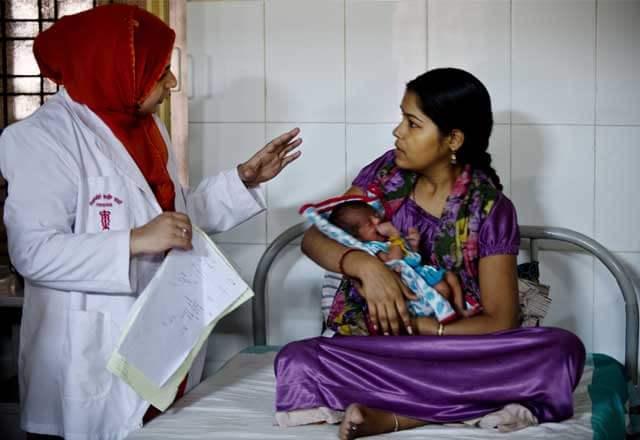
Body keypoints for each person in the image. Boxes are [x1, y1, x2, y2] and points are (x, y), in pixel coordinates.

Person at [0, 5, 302, 440]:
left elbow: (172, 221)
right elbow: (32, 252)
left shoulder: (146, 129)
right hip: (89, 357)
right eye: (162, 71)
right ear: (118, 70)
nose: (173, 83)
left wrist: (242, 180)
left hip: (158, 342)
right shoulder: (39, 140)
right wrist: (133, 241)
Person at [274, 68, 585, 439]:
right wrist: (364, 266)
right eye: (401, 119)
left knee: (561, 351)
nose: (397, 132)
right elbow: (314, 239)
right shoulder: (384, 175)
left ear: (452, 139)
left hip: (456, 349)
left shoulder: (489, 208)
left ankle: (397, 416)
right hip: (379, 349)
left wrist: (422, 327)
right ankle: (462, 405)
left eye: (412, 123)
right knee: (296, 359)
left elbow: (500, 321)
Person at [325, 200, 469, 335]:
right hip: (408, 285)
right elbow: (395, 260)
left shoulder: (387, 243)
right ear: (357, 237)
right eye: (369, 223)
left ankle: (459, 308)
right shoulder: (370, 249)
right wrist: (395, 236)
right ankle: (440, 314)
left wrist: (413, 246)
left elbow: (410, 258)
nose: (377, 220)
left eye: (375, 215)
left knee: (451, 276)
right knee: (442, 287)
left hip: (417, 273)